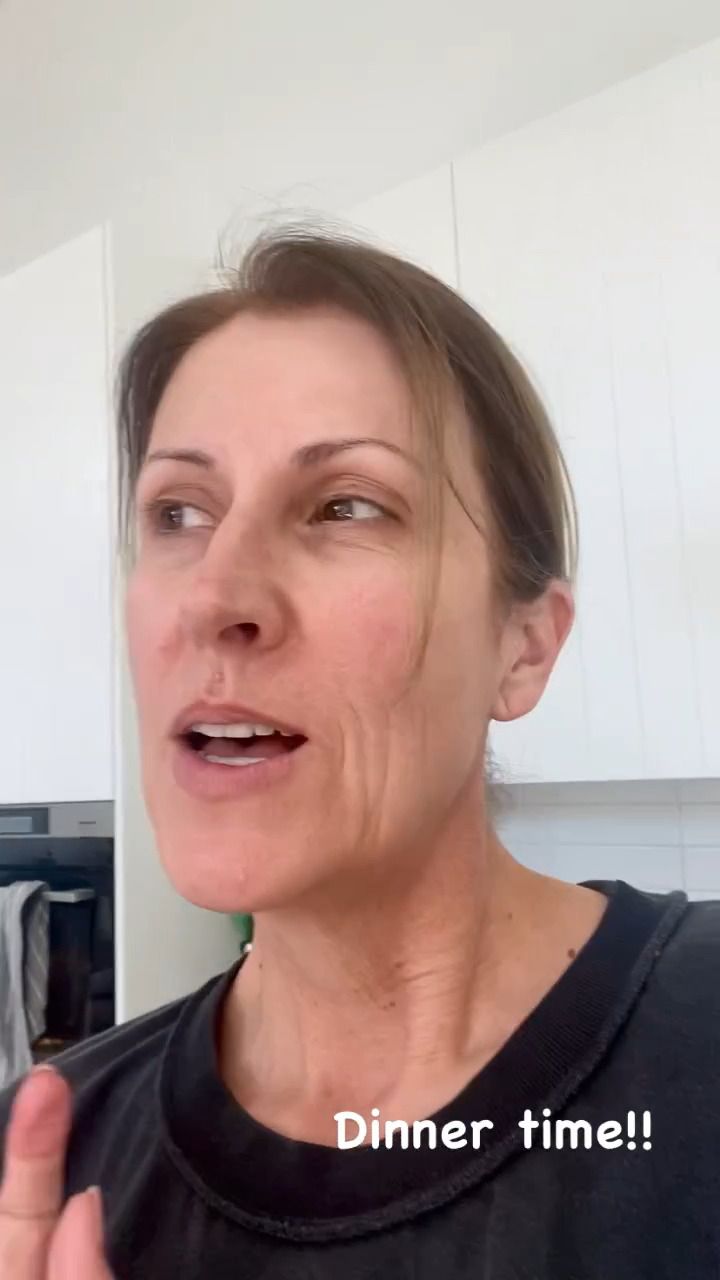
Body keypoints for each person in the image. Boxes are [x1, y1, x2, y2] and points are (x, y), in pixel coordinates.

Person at [0, 227, 717, 1279]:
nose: (213, 594)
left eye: (346, 505)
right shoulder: (40, 1167)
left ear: (524, 645)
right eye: (179, 512)